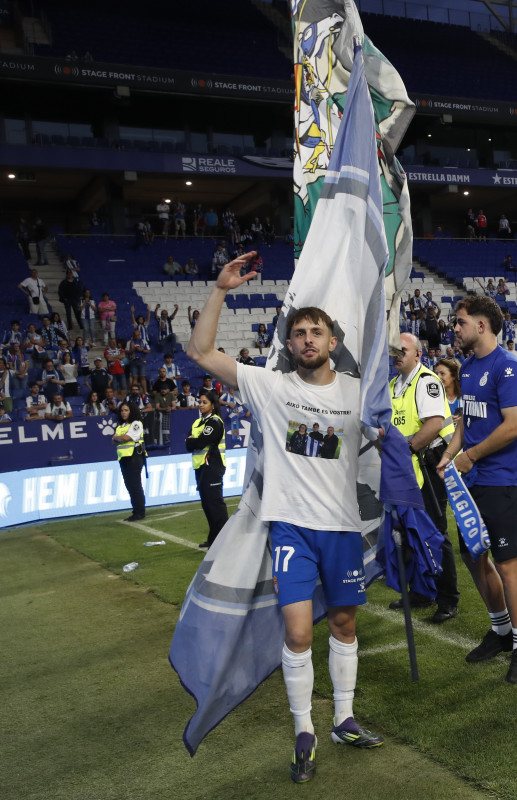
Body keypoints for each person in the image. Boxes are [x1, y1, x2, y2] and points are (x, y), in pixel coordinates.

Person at [187, 250, 384, 783]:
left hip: (344, 527)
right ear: (290, 343)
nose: (307, 339)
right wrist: (220, 288)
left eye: (317, 332)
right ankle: (305, 731)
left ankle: (343, 717)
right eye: (298, 333)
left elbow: (383, 435)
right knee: (298, 634)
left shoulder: (355, 393)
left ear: (333, 342)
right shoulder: (270, 386)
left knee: (344, 624)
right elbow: (202, 352)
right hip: (292, 527)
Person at [435, 294, 517, 684]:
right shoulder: (470, 366)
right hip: (472, 479)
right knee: (474, 556)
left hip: (503, 480)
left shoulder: (508, 367)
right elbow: (465, 421)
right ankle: (501, 632)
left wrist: (471, 456)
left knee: (507, 562)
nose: (454, 328)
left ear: (481, 325)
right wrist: (450, 453)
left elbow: (514, 425)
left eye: (460, 322)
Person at [388, 332, 459, 623]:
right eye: (394, 351)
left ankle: (448, 598)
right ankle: (422, 590)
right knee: (409, 532)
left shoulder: (426, 381)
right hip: (406, 467)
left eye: (403, 350)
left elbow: (433, 424)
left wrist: (405, 448)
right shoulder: (394, 385)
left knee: (435, 533)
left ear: (418, 354)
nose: (397, 355)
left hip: (427, 464)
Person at [185, 389, 228, 549]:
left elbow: (199, 442)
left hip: (213, 466)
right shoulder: (197, 423)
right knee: (207, 504)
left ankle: (223, 541)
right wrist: (193, 441)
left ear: (212, 404)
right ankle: (213, 539)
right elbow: (188, 445)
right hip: (200, 466)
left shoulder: (215, 422)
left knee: (215, 504)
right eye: (200, 402)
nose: (200, 405)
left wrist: (193, 440)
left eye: (204, 402)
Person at [113, 401, 146, 522]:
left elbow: (127, 437)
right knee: (130, 486)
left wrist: (119, 438)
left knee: (135, 485)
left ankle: (140, 512)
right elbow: (114, 439)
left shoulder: (136, 423)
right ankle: (136, 511)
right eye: (122, 410)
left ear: (131, 411)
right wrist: (119, 438)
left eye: (126, 410)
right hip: (124, 458)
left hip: (134, 457)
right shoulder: (121, 426)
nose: (123, 413)